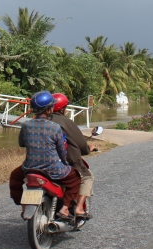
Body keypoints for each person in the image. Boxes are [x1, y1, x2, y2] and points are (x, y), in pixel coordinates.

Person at [8, 91, 84, 220]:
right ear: (49, 109)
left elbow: (22, 143)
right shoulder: (54, 127)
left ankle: (22, 205)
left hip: (29, 168)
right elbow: (62, 151)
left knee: (15, 178)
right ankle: (65, 208)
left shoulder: (26, 125)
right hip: (52, 169)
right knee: (75, 178)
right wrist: (65, 162)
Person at [50, 92, 97, 219]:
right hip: (67, 162)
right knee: (87, 177)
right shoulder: (66, 122)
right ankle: (79, 208)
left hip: (40, 163)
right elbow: (81, 144)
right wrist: (88, 149)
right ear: (63, 108)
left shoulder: (39, 120)